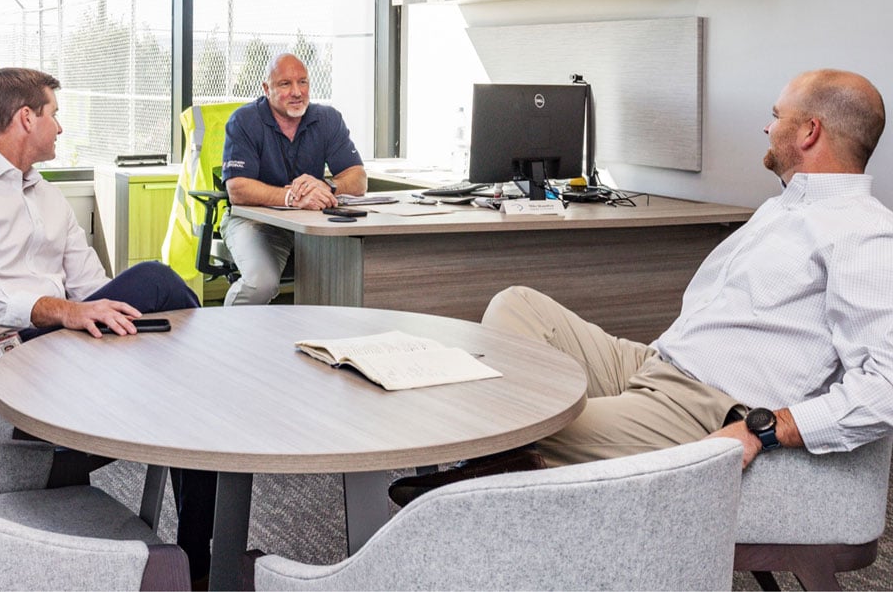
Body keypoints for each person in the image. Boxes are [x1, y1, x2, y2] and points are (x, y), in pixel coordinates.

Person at [390, 68, 893, 505]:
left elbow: (886, 388)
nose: (767, 126)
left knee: (531, 416)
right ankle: (505, 461)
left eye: (777, 115)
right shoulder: (783, 207)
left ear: (809, 131)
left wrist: (767, 428)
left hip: (698, 407)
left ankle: (488, 470)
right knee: (516, 306)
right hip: (652, 363)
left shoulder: (861, 233)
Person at [0, 68, 215, 582]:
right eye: (54, 115)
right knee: (154, 277)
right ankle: (224, 358)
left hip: (58, 351)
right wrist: (59, 310)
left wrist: (109, 324)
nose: (60, 128)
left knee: (188, 394)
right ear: (25, 118)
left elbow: (90, 290)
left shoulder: (47, 196)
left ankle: (200, 558)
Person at [220, 52, 367, 305]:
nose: (297, 92)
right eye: (285, 84)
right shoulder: (244, 121)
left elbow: (358, 179)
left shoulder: (328, 119)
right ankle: (222, 341)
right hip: (256, 223)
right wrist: (292, 197)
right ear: (267, 88)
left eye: (303, 82)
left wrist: (328, 186)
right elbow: (238, 189)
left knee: (355, 276)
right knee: (260, 285)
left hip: (311, 224)